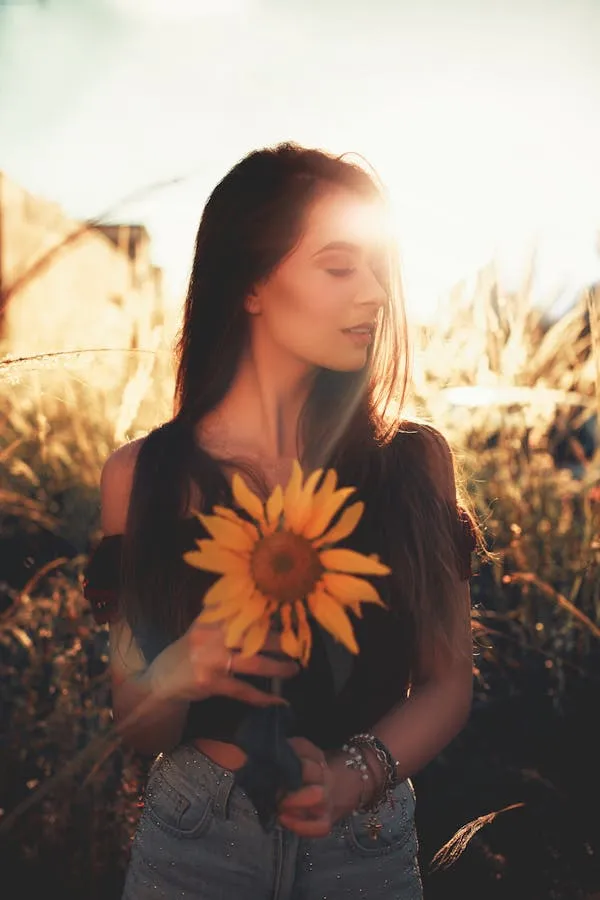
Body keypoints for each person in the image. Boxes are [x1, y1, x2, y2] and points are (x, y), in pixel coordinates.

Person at [83, 141, 481, 899]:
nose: (373, 295)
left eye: (376, 269)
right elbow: (141, 730)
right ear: (252, 283)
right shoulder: (141, 477)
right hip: (194, 847)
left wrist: (352, 775)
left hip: (364, 850)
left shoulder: (413, 461)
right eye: (339, 267)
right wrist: (177, 673)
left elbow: (446, 683)